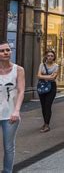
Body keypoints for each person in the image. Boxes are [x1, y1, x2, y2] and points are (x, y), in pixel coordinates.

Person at [0, 41, 25, 173]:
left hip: (10, 114)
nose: (5, 53)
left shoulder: (18, 69)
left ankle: (7, 171)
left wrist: (16, 110)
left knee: (8, 146)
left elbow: (21, 91)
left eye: (8, 50)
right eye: (2, 51)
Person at [37, 50, 59, 133]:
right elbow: (38, 75)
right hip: (42, 86)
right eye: (48, 55)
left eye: (51, 56)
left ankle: (47, 125)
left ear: (54, 57)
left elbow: (53, 78)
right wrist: (49, 76)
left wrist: (43, 76)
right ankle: (45, 122)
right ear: (46, 56)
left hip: (52, 87)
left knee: (48, 105)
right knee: (43, 106)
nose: (50, 57)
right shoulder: (42, 65)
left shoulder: (56, 66)